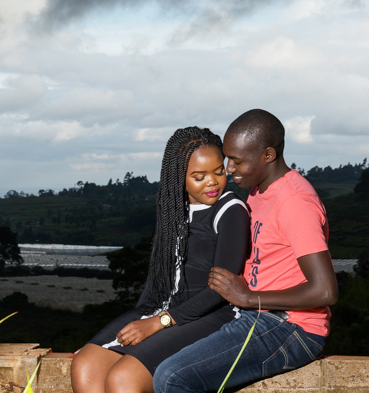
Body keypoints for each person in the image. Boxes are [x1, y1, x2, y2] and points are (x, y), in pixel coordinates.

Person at [153, 109, 338, 393]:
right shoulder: (259, 189)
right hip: (253, 315)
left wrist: (248, 297)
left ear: (268, 155)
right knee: (155, 355)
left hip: (290, 328)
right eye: (228, 159)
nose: (229, 169)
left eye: (238, 161)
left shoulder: (295, 203)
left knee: (173, 376)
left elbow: (325, 291)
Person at [72, 127, 249, 393]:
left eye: (219, 171)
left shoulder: (230, 210)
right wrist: (107, 341)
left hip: (212, 315)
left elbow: (221, 291)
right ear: (179, 178)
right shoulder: (173, 209)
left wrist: (159, 322)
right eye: (199, 177)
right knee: (85, 364)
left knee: (123, 379)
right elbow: (158, 280)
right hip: (163, 308)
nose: (212, 182)